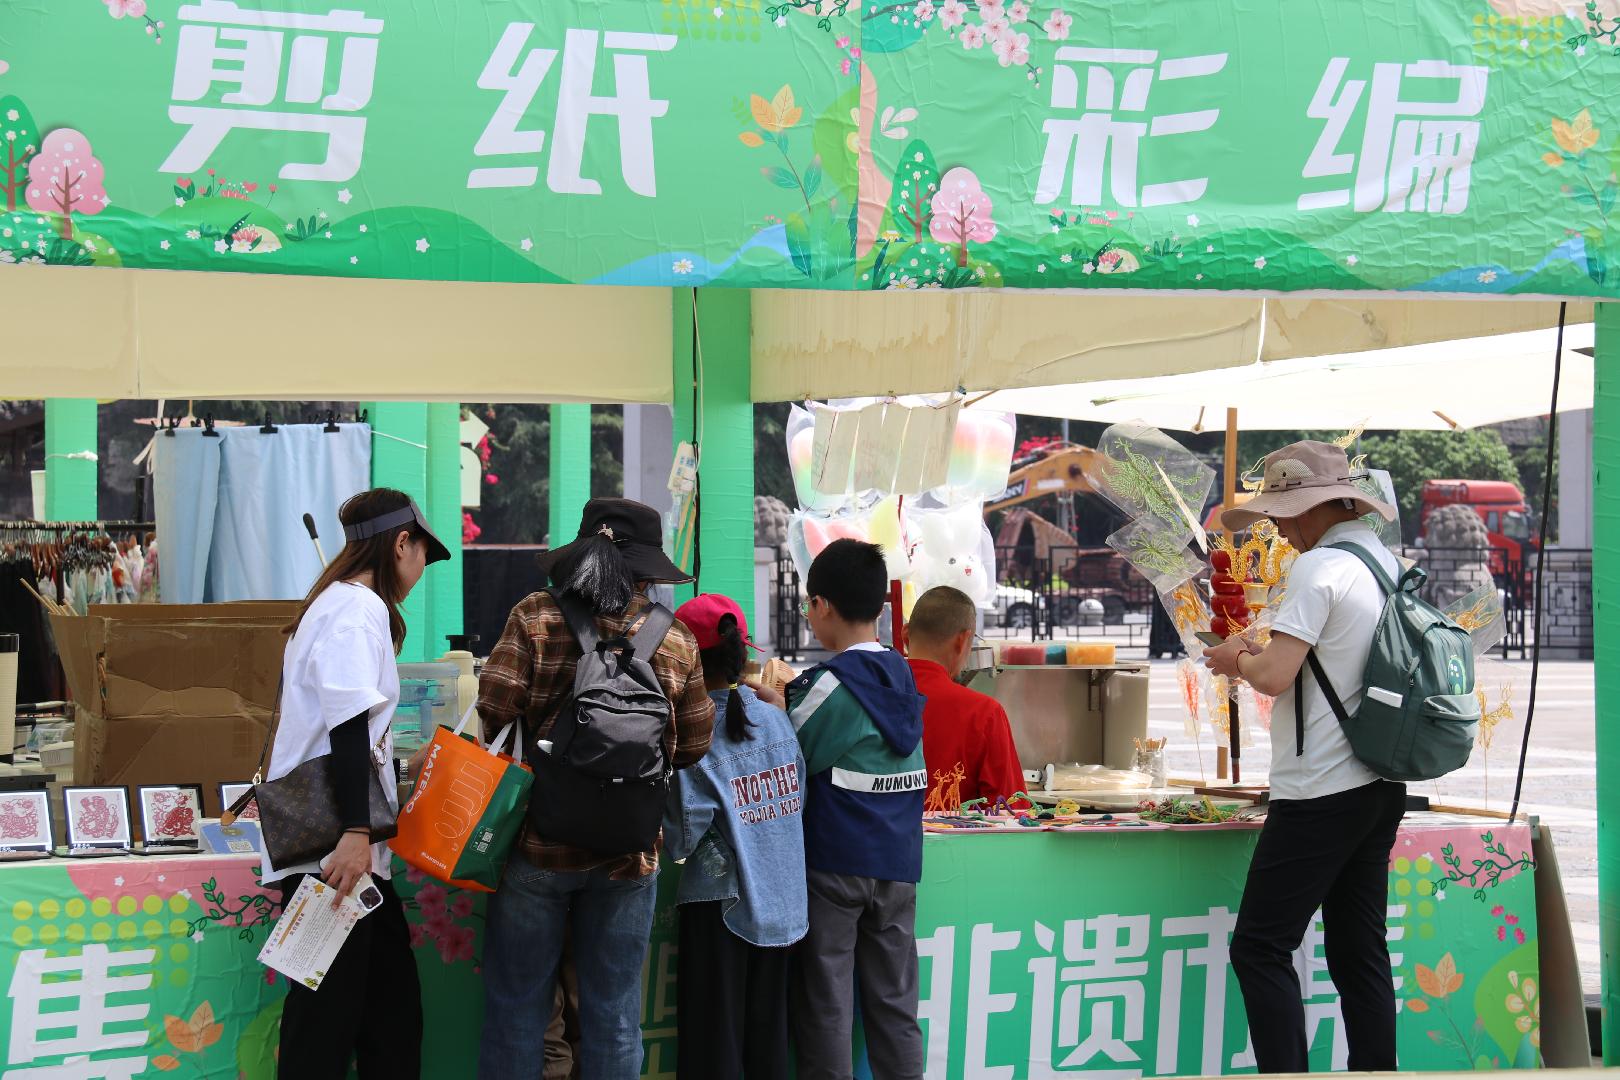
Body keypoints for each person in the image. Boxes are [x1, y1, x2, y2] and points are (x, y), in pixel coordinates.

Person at [477, 498, 715, 1080]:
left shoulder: (535, 615)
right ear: (646, 572)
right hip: (629, 855)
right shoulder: (675, 638)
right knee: (614, 1014)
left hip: (539, 845)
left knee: (518, 1007)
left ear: (582, 555)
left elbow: (493, 708)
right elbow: (692, 746)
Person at [1201, 440, 1406, 1074]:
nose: (1280, 531)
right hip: (1380, 781)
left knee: (1260, 947)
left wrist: (1235, 657)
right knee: (1359, 952)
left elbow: (1273, 675)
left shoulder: (1319, 569)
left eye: (1282, 516)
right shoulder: (1383, 562)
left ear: (1312, 507)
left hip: (1320, 788)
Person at [265, 488, 451, 1080]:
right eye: (422, 555)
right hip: (336, 853)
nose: (420, 569)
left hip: (347, 852)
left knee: (389, 1016)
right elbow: (346, 728)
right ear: (401, 543)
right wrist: (354, 832)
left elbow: (348, 731)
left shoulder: (340, 604)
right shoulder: (355, 609)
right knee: (324, 1026)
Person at [788, 538, 928, 1080]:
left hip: (835, 864)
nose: (808, 614)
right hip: (898, 863)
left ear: (823, 605)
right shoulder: (902, 675)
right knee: (895, 1005)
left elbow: (793, 751)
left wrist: (777, 703)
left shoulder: (832, 685)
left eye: (809, 604)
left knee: (827, 1004)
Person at [664, 593, 807, 1079]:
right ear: (742, 652)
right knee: (768, 1052)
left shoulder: (692, 730)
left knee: (714, 1054)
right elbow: (797, 802)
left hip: (721, 907)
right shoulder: (775, 717)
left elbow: (681, 837)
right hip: (782, 906)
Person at [904, 585, 1025, 808]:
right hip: (953, 831)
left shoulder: (868, 698)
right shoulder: (984, 713)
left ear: (905, 635)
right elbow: (1010, 809)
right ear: (962, 641)